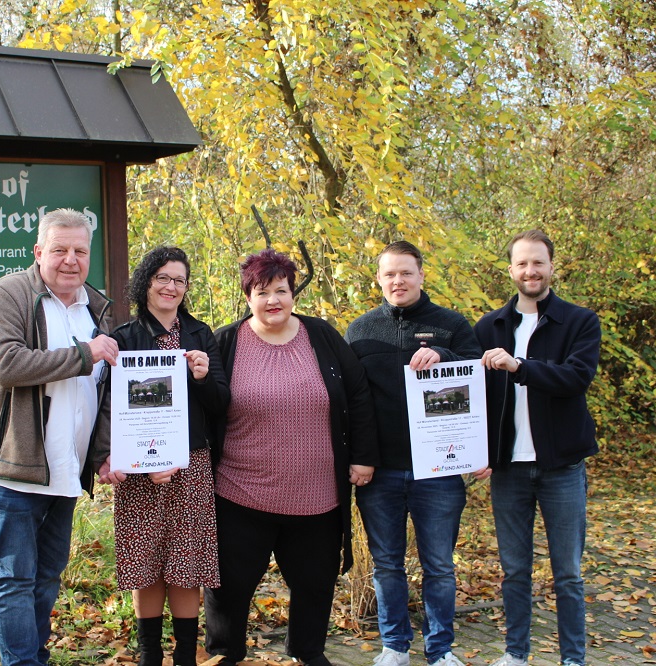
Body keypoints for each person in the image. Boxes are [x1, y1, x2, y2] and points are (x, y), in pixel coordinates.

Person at [0, 208, 119, 666]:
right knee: (15, 578)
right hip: (8, 465)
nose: (71, 259)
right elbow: (8, 365)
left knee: (47, 576)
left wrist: (102, 454)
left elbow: (100, 392)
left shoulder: (95, 307)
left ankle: (34, 657)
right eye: (59, 249)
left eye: (80, 251)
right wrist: (84, 353)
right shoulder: (6, 295)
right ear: (38, 252)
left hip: (64, 468)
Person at [204, 249, 379, 666]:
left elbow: (357, 393)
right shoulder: (225, 342)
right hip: (241, 494)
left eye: (281, 290)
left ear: (293, 293)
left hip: (317, 497)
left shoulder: (322, 336)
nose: (273, 300)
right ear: (248, 296)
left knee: (315, 584)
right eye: (262, 292)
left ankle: (308, 652)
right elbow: (205, 405)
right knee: (229, 586)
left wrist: (363, 456)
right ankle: (225, 653)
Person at [345, 241, 483, 666]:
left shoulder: (451, 324)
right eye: (389, 274)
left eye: (406, 272)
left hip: (438, 469)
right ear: (378, 279)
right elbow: (351, 400)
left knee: (439, 565)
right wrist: (358, 457)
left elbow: (477, 374)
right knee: (387, 564)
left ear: (422, 275)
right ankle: (395, 646)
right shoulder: (360, 330)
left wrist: (443, 355)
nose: (398, 281)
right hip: (380, 472)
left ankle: (440, 650)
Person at [95, 246, 230, 666]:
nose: (171, 287)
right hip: (138, 469)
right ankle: (149, 656)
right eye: (163, 278)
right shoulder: (124, 338)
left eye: (179, 280)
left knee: (187, 563)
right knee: (146, 563)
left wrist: (203, 378)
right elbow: (110, 405)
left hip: (190, 465)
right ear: (146, 283)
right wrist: (131, 460)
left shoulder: (200, 335)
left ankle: (186, 657)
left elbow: (222, 403)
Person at [474, 229, 601, 666]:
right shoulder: (489, 326)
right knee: (514, 571)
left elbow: (576, 378)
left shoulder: (579, 321)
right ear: (511, 270)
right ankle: (516, 654)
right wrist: (477, 451)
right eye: (523, 263)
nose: (531, 271)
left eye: (538, 263)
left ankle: (572, 659)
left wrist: (519, 366)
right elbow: (474, 396)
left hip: (561, 468)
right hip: (509, 470)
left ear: (551, 267)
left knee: (567, 574)